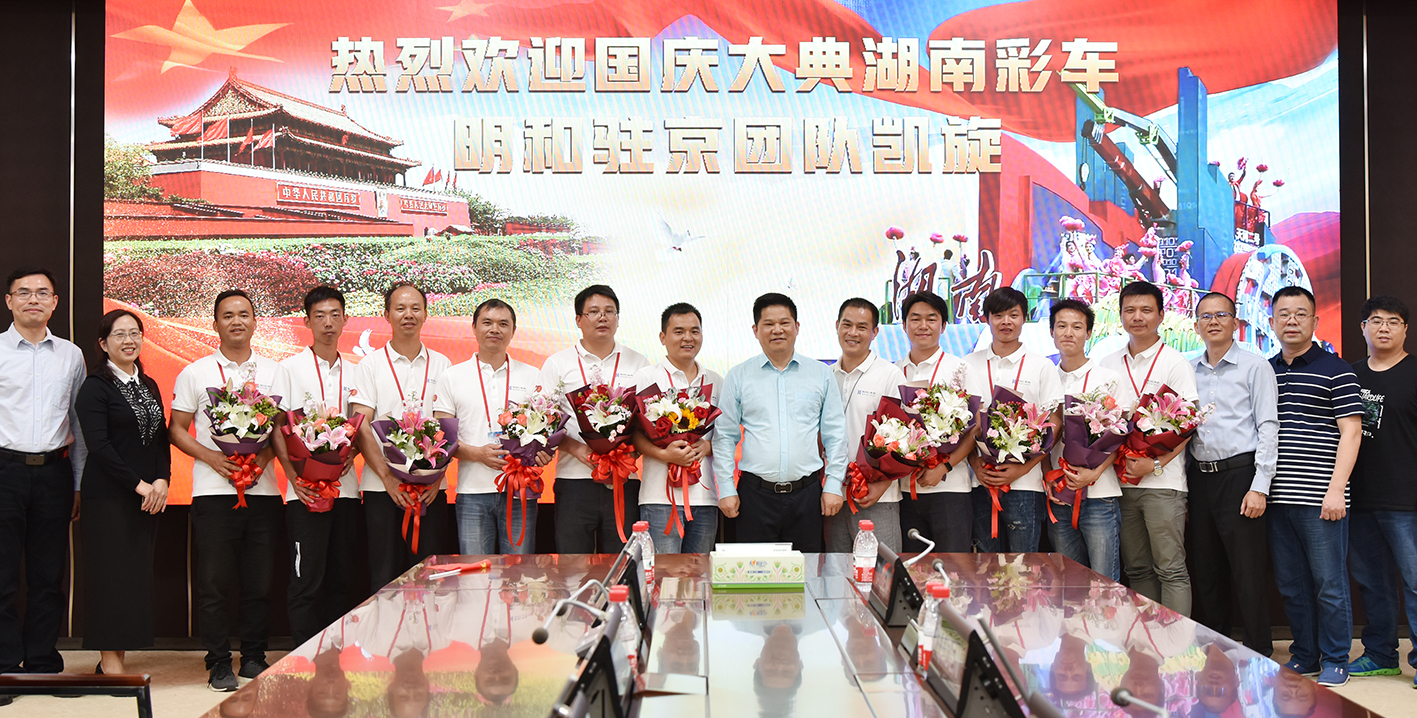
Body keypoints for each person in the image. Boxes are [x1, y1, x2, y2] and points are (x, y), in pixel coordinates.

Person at [169, 290, 282, 691]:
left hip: (263, 492)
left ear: (254, 322)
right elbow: (176, 428)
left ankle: (253, 656)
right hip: (212, 493)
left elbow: (282, 430)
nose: (237, 321)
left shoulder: (275, 372)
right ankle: (218, 662)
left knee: (259, 582)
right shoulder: (196, 372)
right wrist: (213, 458)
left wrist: (262, 459)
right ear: (215, 323)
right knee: (214, 584)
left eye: (244, 314)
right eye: (228, 315)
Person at [1266, 285, 1363, 687]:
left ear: (1314, 321)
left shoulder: (1337, 369)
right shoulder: (1265, 370)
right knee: (1291, 584)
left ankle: (1336, 657)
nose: (1291, 321)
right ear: (1271, 322)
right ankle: (1304, 655)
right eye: (1284, 314)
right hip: (1276, 498)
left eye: (1300, 314)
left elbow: (1352, 431)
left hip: (1322, 497)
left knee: (1329, 584)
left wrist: (1337, 488)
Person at [0, 268, 87, 691]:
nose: (32, 299)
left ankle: (41, 661)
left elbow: (78, 422)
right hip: (5, 471)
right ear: (9, 301)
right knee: (2, 575)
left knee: (48, 573)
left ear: (54, 302)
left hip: (54, 472)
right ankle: (3, 664)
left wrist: (78, 482)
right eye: (23, 292)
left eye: (41, 293)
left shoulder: (71, 355)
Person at [712, 293, 847, 552]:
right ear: (755, 330)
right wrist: (726, 488)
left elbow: (835, 434)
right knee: (755, 573)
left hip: (807, 495)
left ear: (797, 327)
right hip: (755, 497)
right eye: (768, 324)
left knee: (807, 572)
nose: (777, 330)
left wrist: (833, 484)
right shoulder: (738, 376)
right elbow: (725, 436)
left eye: (784, 323)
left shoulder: (820, 374)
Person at [76, 309, 169, 675]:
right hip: (107, 499)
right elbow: (99, 446)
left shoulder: (148, 384)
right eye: (119, 334)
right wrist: (139, 484)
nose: (129, 341)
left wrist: (162, 480)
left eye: (135, 333)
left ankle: (115, 659)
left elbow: (160, 439)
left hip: (144, 500)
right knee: (109, 579)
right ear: (103, 344)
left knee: (131, 580)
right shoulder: (95, 387)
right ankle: (110, 663)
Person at [1186, 291, 1278, 657]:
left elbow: (1268, 427)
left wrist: (1260, 486)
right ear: (1196, 326)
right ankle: (1216, 647)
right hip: (1199, 477)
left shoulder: (1255, 367)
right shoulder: (1187, 369)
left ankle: (1258, 650)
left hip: (1240, 476)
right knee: (1207, 569)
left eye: (1221, 315)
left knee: (1247, 570)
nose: (1213, 322)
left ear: (1235, 322)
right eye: (1206, 316)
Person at [1099, 281, 1198, 615]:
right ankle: (1149, 637)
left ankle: (1176, 642)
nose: (1137, 317)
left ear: (1161, 315)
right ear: (1120, 315)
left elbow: (1188, 426)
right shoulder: (1108, 363)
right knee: (1137, 568)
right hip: (1120, 483)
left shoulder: (1175, 362)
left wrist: (1154, 465)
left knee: (1170, 569)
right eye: (1130, 310)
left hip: (1163, 484)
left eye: (1146, 310)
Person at [271, 286, 361, 648]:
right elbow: (278, 426)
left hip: (346, 491)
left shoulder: (357, 371)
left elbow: (362, 426)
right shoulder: (289, 369)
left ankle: (337, 654)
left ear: (345, 319)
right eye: (320, 316)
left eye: (335, 315)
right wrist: (293, 477)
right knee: (305, 579)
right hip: (304, 493)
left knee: (343, 578)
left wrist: (353, 452)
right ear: (307, 321)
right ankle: (304, 659)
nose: (328, 323)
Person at [351, 282, 454, 591]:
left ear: (425, 314)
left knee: (430, 577)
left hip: (430, 491)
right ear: (387, 315)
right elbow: (361, 424)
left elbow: (449, 427)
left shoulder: (443, 365)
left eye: (415, 308)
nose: (408, 314)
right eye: (400, 308)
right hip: (381, 488)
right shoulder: (370, 365)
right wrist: (386, 477)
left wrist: (437, 476)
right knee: (384, 576)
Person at [537, 285, 650, 553]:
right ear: (578, 319)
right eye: (594, 312)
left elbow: (647, 420)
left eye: (609, 311)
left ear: (617, 319)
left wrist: (629, 452)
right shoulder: (558, 363)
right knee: (573, 564)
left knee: (622, 563)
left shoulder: (638, 362)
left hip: (625, 480)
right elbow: (544, 422)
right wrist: (576, 449)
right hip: (574, 480)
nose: (603, 317)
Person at [435, 298, 548, 554]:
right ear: (474, 327)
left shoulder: (533, 375)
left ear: (513, 331)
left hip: (520, 490)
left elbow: (545, 429)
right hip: (472, 492)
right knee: (476, 571)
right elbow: (443, 437)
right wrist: (477, 454)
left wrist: (544, 452)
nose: (494, 329)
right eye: (487, 322)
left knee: (519, 572)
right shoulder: (452, 376)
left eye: (503, 324)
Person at [1345, 296, 1417, 683]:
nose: (1384, 327)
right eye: (1376, 320)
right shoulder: (1350, 375)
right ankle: (1380, 654)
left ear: (1405, 329)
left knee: (1415, 582)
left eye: (1393, 321)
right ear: (1363, 328)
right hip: (1359, 497)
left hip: (1407, 499)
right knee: (1373, 582)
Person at [965, 287, 1063, 553]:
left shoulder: (1041, 366)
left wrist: (1023, 468)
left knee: (1024, 566)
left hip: (1026, 485)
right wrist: (975, 464)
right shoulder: (967, 364)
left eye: (1013, 315)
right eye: (998, 315)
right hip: (980, 482)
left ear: (1024, 318)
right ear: (986, 319)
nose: (1006, 322)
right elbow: (962, 424)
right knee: (983, 566)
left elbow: (1055, 421)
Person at [630, 303, 722, 554]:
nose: (688, 338)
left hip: (705, 497)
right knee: (663, 574)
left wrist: (708, 446)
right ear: (663, 337)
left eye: (694, 331)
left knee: (700, 572)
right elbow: (634, 434)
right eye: (679, 331)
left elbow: (727, 435)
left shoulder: (715, 380)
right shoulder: (646, 377)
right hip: (659, 498)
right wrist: (663, 454)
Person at [1047, 299, 1124, 581]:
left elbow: (1120, 435)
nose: (1068, 333)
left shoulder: (1108, 379)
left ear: (1089, 333)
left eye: (1077, 327)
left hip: (1100, 495)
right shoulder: (1045, 378)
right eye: (1061, 326)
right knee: (1068, 581)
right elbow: (1041, 442)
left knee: (1105, 582)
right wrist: (1048, 478)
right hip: (1058, 494)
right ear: (1052, 332)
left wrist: (1095, 472)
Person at [895, 291, 977, 553]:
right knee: (911, 568)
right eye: (915, 318)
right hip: (904, 490)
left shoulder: (960, 369)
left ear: (943, 326)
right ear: (904, 324)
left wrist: (944, 466)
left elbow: (974, 429)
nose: (923, 325)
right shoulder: (894, 371)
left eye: (931, 319)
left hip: (950, 489)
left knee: (953, 570)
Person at [826, 298, 904, 553]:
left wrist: (883, 483)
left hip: (876, 495)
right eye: (847, 325)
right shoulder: (826, 376)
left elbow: (903, 438)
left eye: (862, 327)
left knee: (881, 571)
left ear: (875, 332)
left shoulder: (889, 375)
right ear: (837, 326)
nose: (853, 333)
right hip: (833, 493)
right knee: (836, 570)